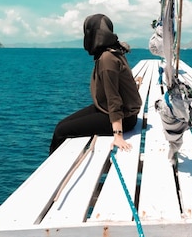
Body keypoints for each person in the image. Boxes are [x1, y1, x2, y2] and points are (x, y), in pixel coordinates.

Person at [49, 14, 142, 154]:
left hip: (123, 118)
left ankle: (53, 170)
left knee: (61, 131)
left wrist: (118, 135)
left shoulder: (107, 58)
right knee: (60, 126)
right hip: (112, 111)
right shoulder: (113, 52)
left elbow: (114, 99)